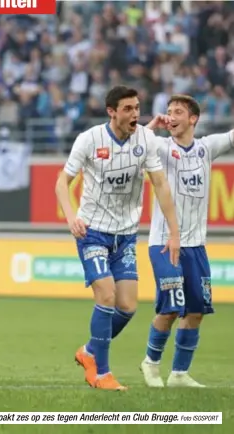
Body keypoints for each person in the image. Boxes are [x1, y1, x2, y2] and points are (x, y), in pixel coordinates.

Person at [55, 85, 181, 391]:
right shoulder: (89, 139)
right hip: (93, 232)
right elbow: (62, 182)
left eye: (137, 107)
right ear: (111, 112)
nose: (135, 114)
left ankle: (88, 352)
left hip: (125, 235)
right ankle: (102, 374)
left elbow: (161, 184)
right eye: (127, 109)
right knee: (107, 297)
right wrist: (72, 218)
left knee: (127, 306)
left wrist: (174, 231)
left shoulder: (145, 139)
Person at [141, 95, 234, 388]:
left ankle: (179, 373)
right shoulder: (162, 147)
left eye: (178, 112)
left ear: (193, 119)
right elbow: (136, 142)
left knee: (195, 311)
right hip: (164, 242)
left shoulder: (206, 148)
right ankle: (151, 364)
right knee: (169, 308)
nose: (171, 116)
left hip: (196, 245)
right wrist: (152, 126)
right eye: (168, 111)